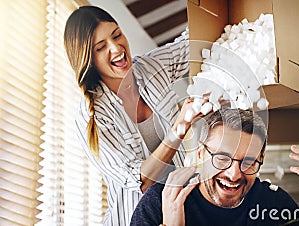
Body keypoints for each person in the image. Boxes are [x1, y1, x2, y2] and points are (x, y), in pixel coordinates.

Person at [64, 6, 207, 225]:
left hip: (180, 214)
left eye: (117, 35)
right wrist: (181, 126)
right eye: (101, 47)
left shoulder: (152, 67)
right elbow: (141, 180)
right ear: (88, 59)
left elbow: (195, 40)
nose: (116, 48)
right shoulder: (92, 117)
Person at [130, 108, 299, 226]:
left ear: (261, 159)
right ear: (200, 154)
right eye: (222, 158)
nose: (234, 174)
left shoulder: (275, 205)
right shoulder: (161, 201)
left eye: (248, 162)